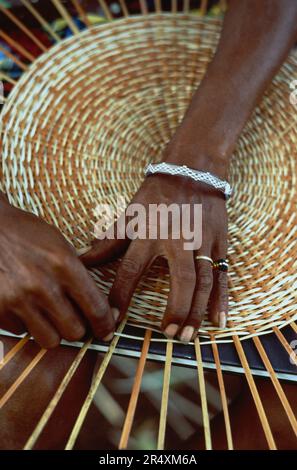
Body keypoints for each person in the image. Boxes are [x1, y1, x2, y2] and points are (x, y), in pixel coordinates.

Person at [0, 0, 297, 449]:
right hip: (26, 43)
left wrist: (195, 166)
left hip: (250, 43)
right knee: (30, 373)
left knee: (285, 417)